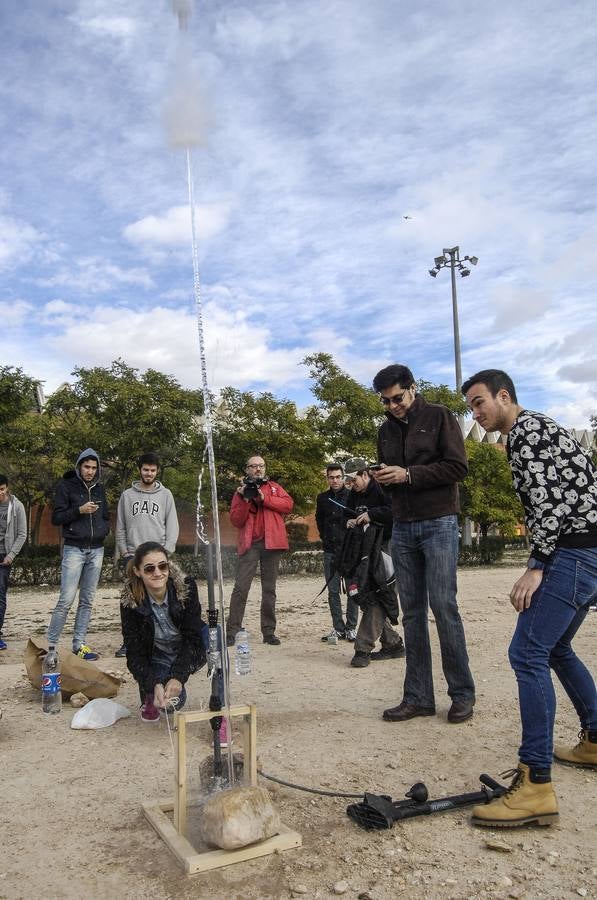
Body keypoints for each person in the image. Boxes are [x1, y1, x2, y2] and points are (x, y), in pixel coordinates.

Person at [462, 369, 597, 827]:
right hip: (588, 549)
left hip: (575, 554)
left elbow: (549, 502)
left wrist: (537, 565)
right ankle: (596, 739)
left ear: (504, 396)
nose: (476, 414)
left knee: (527, 651)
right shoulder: (541, 428)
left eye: (480, 403)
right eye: (471, 409)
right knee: (556, 647)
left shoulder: (526, 432)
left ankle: (536, 783)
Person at [371, 364, 475, 723]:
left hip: (439, 522)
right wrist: (380, 478)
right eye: (385, 401)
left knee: (444, 607)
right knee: (411, 613)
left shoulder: (440, 416)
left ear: (412, 388)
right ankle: (418, 696)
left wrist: (409, 474)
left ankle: (462, 694)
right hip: (402, 526)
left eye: (397, 398)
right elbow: (390, 481)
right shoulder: (384, 430)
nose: (392, 406)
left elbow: (457, 467)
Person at [120, 542, 206, 722]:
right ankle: (150, 696)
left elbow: (193, 637)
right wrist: (153, 684)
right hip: (157, 654)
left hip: (187, 648)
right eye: (149, 569)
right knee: (172, 703)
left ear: (168, 565)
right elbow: (134, 652)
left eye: (162, 566)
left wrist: (178, 676)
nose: (158, 573)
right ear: (137, 571)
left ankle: (220, 711)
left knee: (217, 636)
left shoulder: (186, 587)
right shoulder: (130, 600)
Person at [115, 452, 179, 657]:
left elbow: (172, 524)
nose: (149, 473)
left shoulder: (166, 495)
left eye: (152, 470)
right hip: (133, 554)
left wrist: (167, 551)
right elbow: (120, 527)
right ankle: (130, 642)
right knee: (131, 600)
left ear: (157, 471)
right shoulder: (127, 496)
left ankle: (162, 639)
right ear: (139, 470)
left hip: (158, 555)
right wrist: (124, 552)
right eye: (145, 469)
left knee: (162, 597)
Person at [47, 449, 109, 660]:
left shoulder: (100, 489)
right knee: (66, 599)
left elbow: (105, 515)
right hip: (74, 549)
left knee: (87, 600)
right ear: (79, 466)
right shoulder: (66, 487)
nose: (90, 471)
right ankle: (52, 646)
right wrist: (79, 511)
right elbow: (56, 518)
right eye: (86, 467)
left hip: (97, 549)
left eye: (93, 467)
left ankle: (79, 644)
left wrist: (104, 529)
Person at [343, 458, 405, 668]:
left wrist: (371, 515)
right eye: (348, 481)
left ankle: (362, 648)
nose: (352, 485)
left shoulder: (382, 488)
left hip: (388, 546)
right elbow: (347, 512)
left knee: (381, 593)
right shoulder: (353, 493)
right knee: (367, 594)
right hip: (365, 548)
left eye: (354, 480)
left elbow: (395, 511)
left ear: (365, 474)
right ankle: (393, 644)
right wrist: (350, 520)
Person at [227, 455, 293, 646]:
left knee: (269, 589)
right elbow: (236, 520)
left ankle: (269, 632)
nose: (258, 469)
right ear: (246, 469)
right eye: (253, 466)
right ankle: (232, 631)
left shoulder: (274, 487)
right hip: (250, 544)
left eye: (261, 466)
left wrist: (264, 498)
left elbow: (288, 505)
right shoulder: (240, 491)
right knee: (240, 588)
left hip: (272, 544)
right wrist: (244, 499)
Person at [315, 463, 358, 642]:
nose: (335, 480)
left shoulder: (352, 496)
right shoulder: (322, 498)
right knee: (332, 591)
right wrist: (325, 537)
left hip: (348, 551)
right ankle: (338, 628)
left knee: (352, 590)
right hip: (330, 550)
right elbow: (319, 520)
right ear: (327, 478)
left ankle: (351, 628)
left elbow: (356, 520)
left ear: (343, 477)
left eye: (338, 477)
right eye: (331, 477)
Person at [0, 475, 27, 650]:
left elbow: (22, 534)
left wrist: (11, 555)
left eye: (1, 489)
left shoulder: (16, 507)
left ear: (7, 488)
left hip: (4, 556)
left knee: (0, 595)